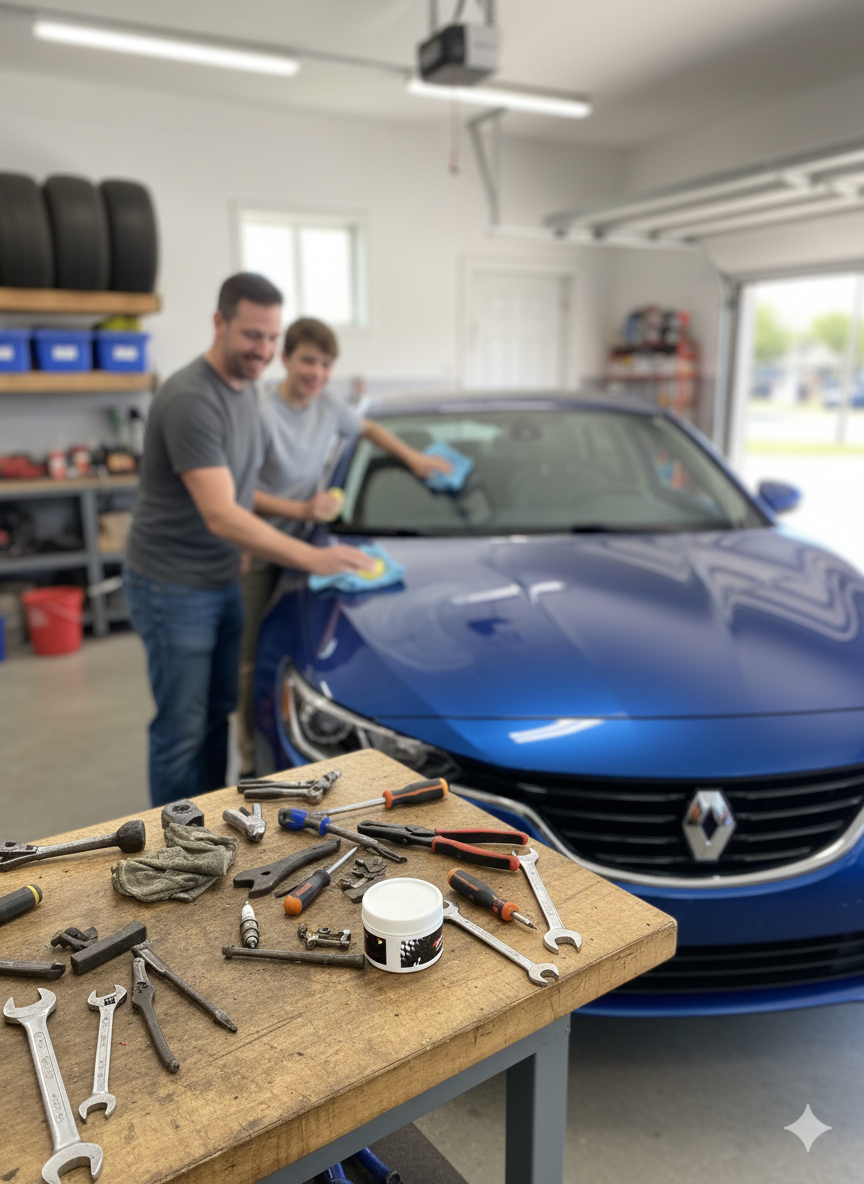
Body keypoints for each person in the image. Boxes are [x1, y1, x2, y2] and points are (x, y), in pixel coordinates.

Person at [125, 275, 373, 807]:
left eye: (271, 336)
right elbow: (221, 513)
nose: (262, 349)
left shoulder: (242, 392)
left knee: (217, 711)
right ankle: (172, 839)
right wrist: (314, 556)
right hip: (174, 587)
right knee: (181, 728)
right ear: (220, 323)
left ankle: (206, 817)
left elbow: (240, 487)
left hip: (222, 577)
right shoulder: (192, 398)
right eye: (252, 335)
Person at [237, 316, 451, 776]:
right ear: (285, 359)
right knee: (252, 656)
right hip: (260, 542)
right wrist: (302, 510)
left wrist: (414, 458)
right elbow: (238, 493)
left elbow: (368, 429)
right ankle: (250, 759)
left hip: (310, 538)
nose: (316, 372)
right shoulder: (259, 413)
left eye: (325, 364)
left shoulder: (327, 406)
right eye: (308, 361)